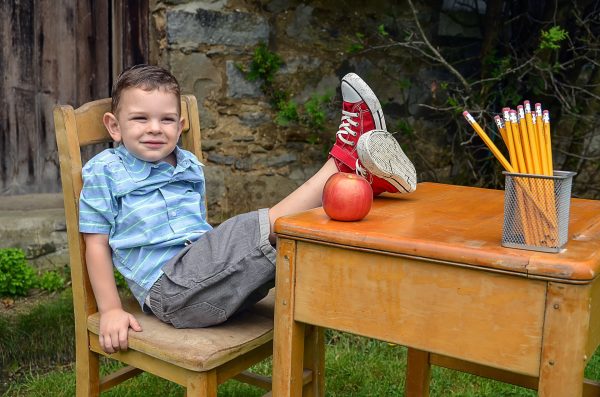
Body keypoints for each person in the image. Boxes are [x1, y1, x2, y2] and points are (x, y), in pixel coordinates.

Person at [79, 64, 417, 354]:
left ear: (180, 125)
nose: (155, 128)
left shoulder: (188, 166)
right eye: (140, 118)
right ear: (114, 127)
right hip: (170, 293)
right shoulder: (105, 171)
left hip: (214, 288)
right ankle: (342, 165)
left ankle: (358, 181)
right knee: (248, 229)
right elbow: (94, 244)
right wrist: (110, 309)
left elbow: (197, 232)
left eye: (166, 119)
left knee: (297, 244)